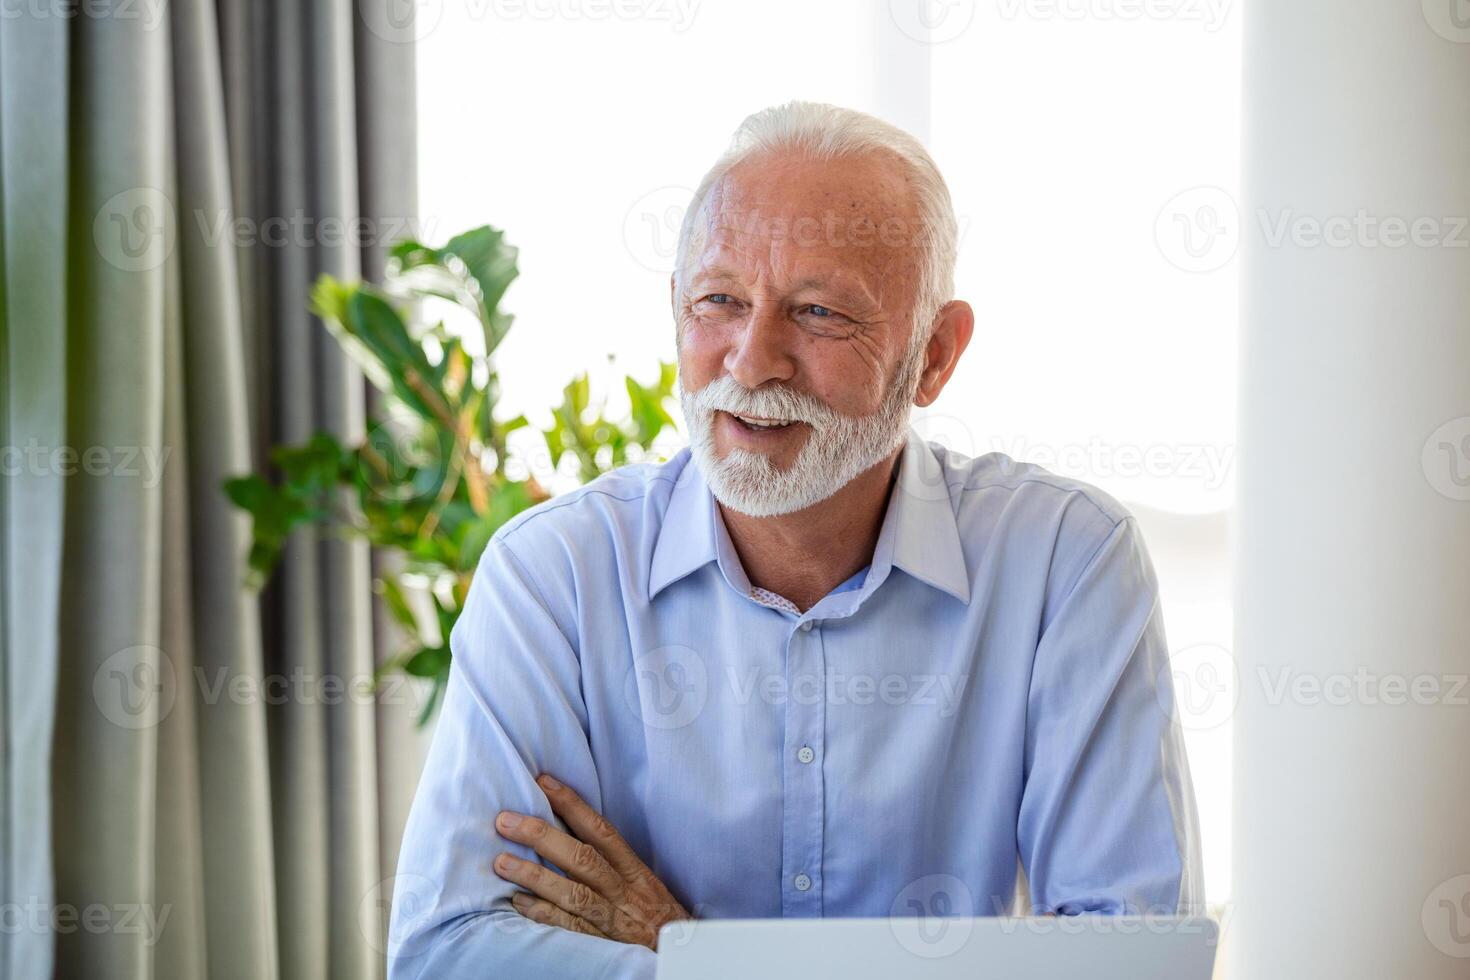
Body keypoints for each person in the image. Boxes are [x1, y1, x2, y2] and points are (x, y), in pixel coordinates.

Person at [388, 100, 1202, 979]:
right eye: (719, 301)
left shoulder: (1064, 564)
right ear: (675, 309)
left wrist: (686, 955)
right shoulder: (552, 576)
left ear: (934, 355)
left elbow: (1131, 957)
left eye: (817, 313)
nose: (750, 360)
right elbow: (451, 953)